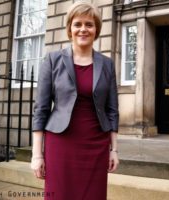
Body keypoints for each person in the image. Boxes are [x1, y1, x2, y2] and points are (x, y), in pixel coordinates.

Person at [30, 2, 119, 199]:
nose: (83, 29)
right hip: (61, 143)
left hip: (96, 144)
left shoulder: (107, 65)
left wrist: (114, 150)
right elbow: (41, 110)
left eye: (89, 24)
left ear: (96, 29)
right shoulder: (53, 60)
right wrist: (37, 155)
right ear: (70, 28)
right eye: (77, 24)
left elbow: (112, 110)